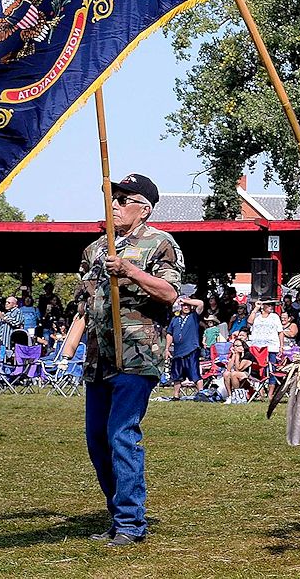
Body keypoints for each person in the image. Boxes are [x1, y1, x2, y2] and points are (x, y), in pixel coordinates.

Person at [60, 173, 182, 547]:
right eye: (112, 198)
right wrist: (66, 353)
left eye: (123, 199)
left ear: (143, 209)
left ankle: (131, 522)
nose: (114, 204)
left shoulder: (160, 244)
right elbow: (84, 306)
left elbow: (169, 293)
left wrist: (130, 271)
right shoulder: (95, 250)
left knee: (121, 435)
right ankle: (118, 516)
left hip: (136, 356)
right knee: (97, 439)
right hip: (99, 359)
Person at [166, 295, 205, 400]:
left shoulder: (194, 316)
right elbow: (169, 333)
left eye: (188, 305)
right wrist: (167, 348)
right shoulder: (175, 319)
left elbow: (201, 303)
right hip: (178, 351)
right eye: (183, 305)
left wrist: (185, 300)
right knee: (176, 375)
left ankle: (201, 394)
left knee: (194, 373)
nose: (186, 307)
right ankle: (176, 395)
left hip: (191, 349)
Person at [247, 300, 284, 400]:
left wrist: (281, 346)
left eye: (272, 305)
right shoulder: (257, 316)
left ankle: (270, 393)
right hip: (257, 348)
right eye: (268, 305)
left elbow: (280, 332)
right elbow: (249, 322)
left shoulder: (274, 317)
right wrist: (256, 308)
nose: (271, 307)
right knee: (258, 369)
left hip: (271, 347)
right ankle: (260, 392)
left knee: (272, 369)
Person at [222, 338, 255, 403]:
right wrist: (234, 355)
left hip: (250, 374)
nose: (235, 347)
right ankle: (230, 396)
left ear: (243, 346)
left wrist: (237, 355)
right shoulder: (236, 354)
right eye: (234, 345)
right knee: (226, 374)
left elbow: (239, 369)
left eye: (238, 345)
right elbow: (228, 368)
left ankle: (237, 396)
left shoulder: (248, 354)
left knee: (234, 374)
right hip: (240, 373)